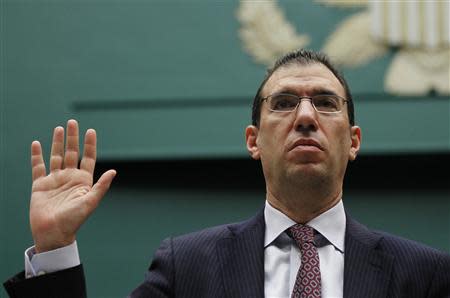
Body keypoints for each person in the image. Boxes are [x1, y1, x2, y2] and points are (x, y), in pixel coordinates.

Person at [3, 49, 450, 298]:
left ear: (353, 141)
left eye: (326, 102)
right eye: (284, 102)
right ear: (253, 140)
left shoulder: (424, 276)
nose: (307, 117)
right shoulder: (188, 266)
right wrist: (55, 248)